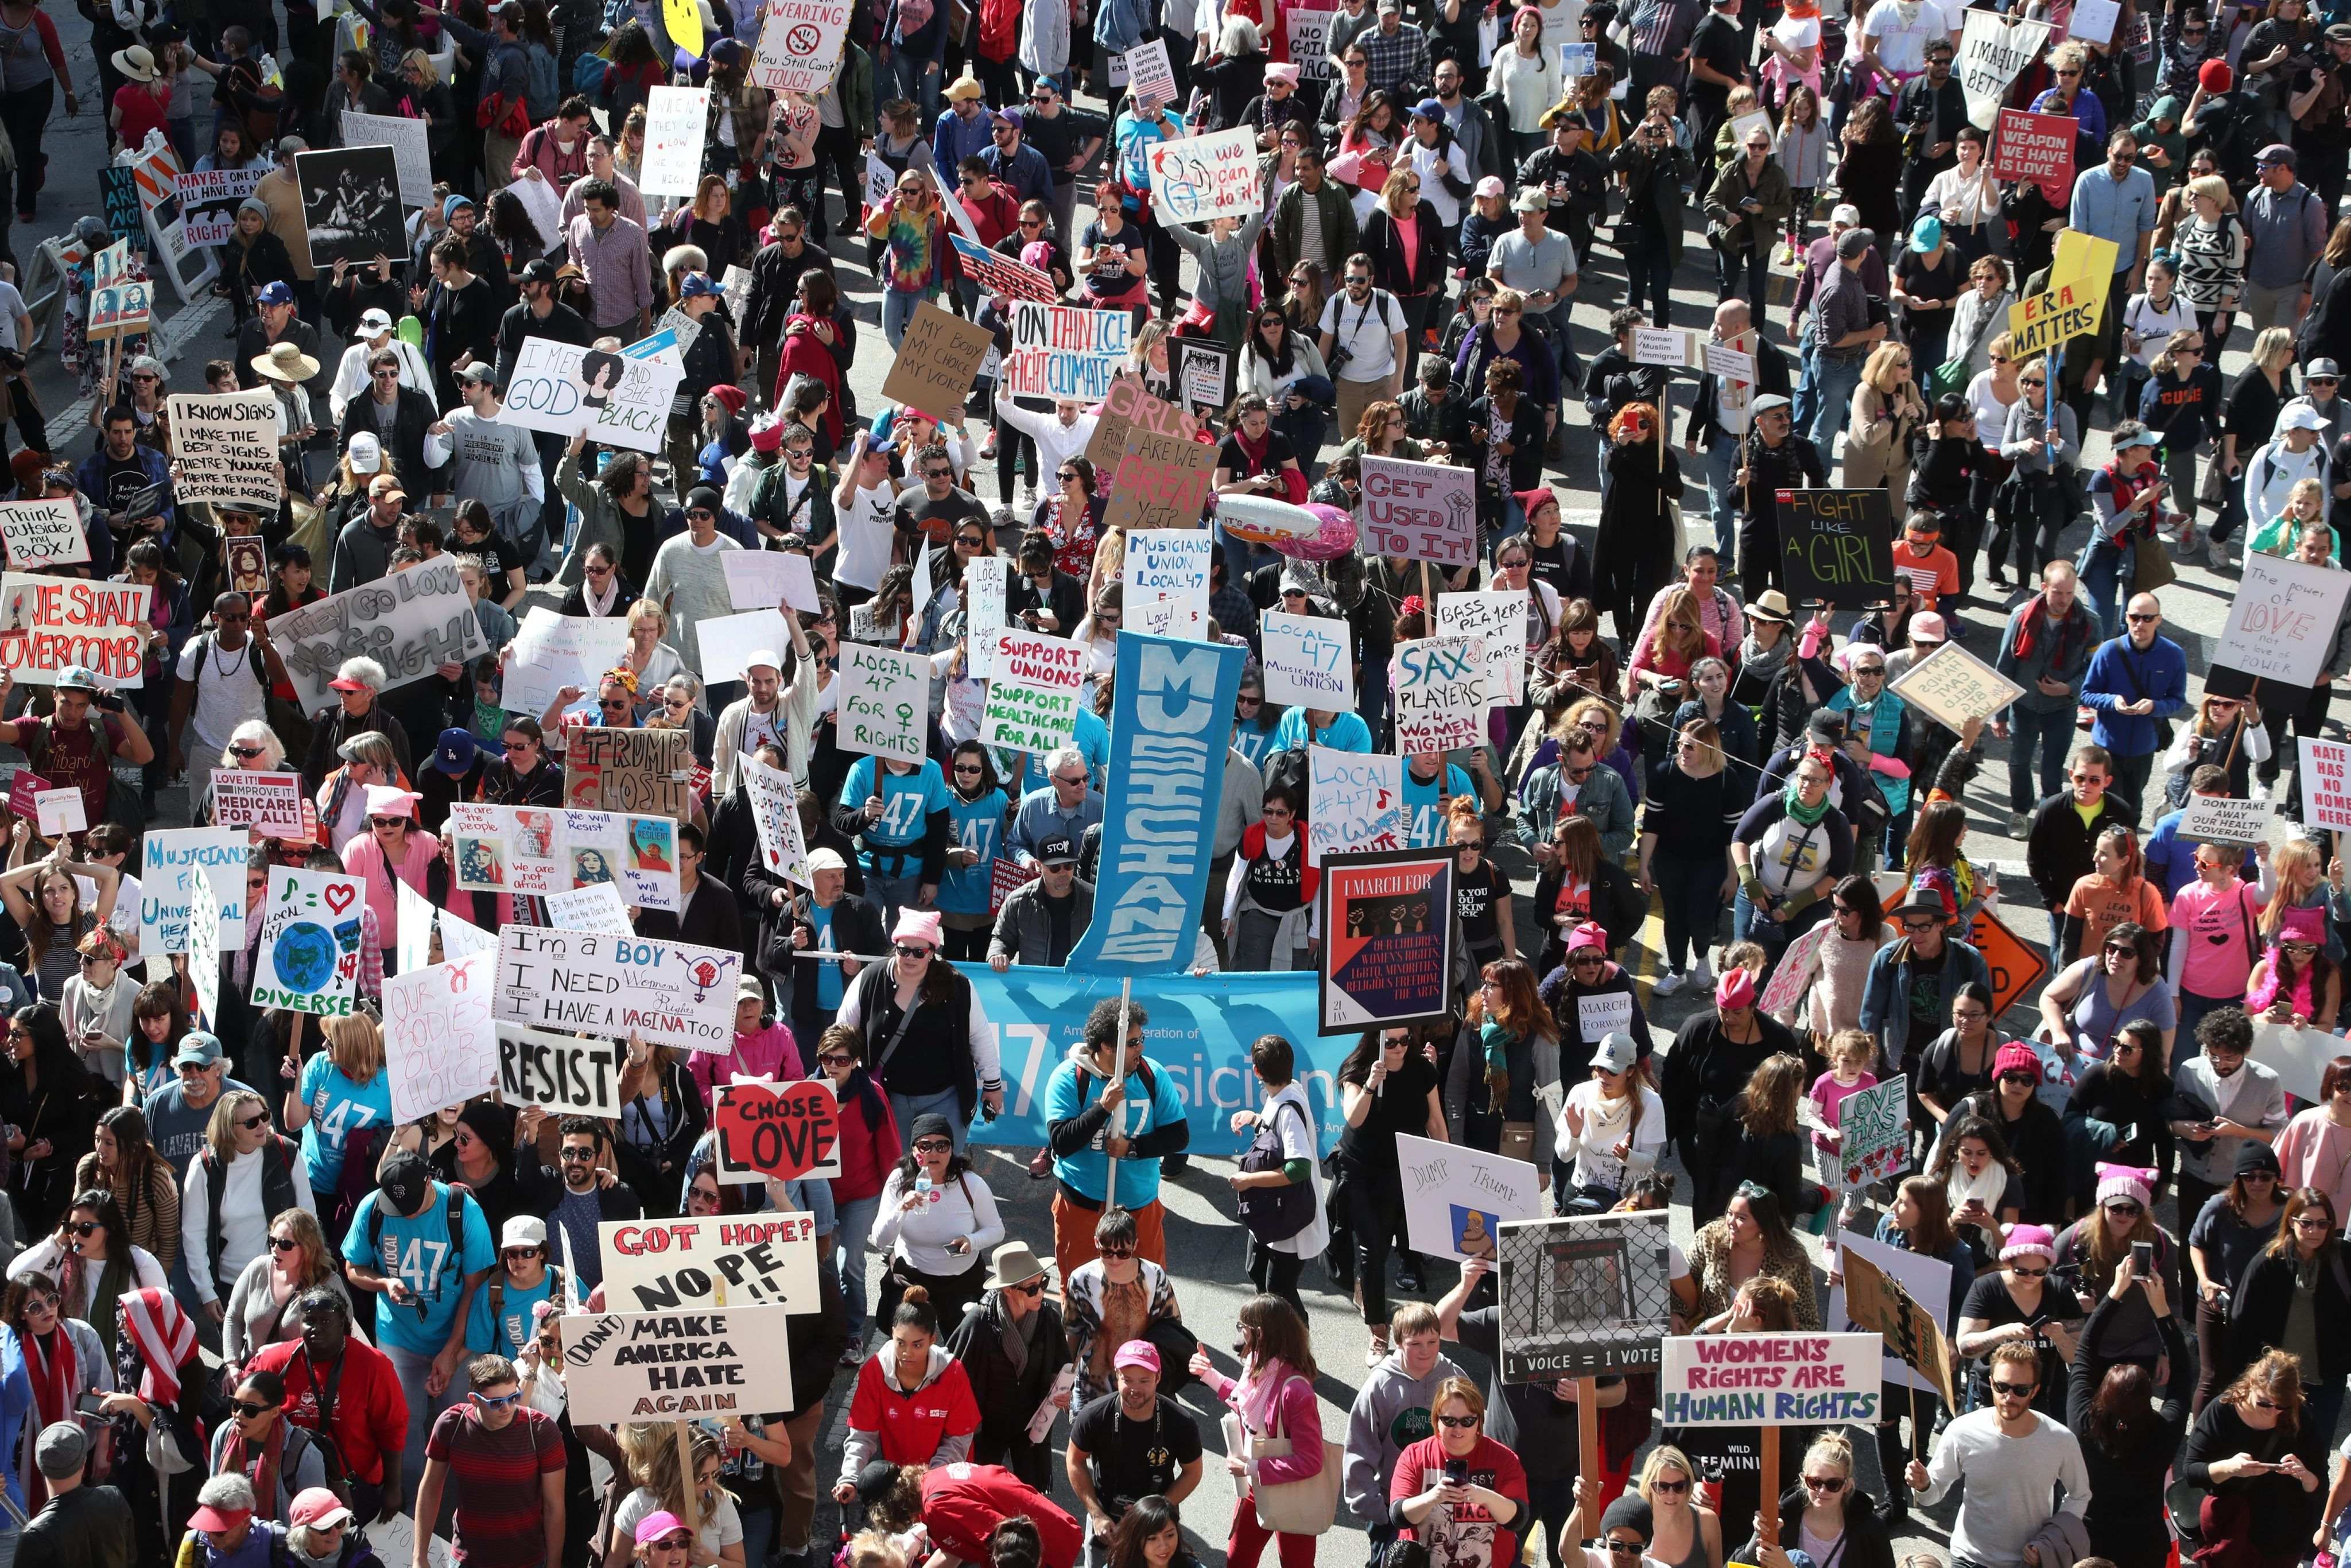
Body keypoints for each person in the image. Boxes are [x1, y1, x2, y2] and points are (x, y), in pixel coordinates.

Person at [339, 1150, 494, 1508]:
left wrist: (452, 1351)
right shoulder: (372, 1209)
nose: (405, 1214)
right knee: (402, 1427)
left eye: (412, 1206)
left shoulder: (464, 1212)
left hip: (455, 1335)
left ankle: (469, 1507)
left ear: (429, 1182)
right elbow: (353, 1267)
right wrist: (384, 1283)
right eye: (397, 1207)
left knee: (463, 1421)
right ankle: (406, 1508)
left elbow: (475, 1286)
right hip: (398, 1337)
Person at [1904, 1340, 2091, 1565]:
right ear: (1991, 1383)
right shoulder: (1963, 1430)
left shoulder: (2060, 1439)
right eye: (2002, 1387)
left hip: (2026, 1562)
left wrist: (2053, 1537)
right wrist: (1923, 1484)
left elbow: (2080, 1495)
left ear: (2035, 1391)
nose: (2009, 1398)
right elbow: (1932, 1493)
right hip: (1968, 1558)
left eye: (2020, 1390)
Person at [2067, 1255, 2190, 1568]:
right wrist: (2161, 1309)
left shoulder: (2084, 1422)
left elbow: (2085, 1351)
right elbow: (2183, 1377)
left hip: (2089, 1541)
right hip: (2143, 1545)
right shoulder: (2165, 1431)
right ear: (2149, 1397)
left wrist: (2114, 1294)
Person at [246, 1288, 408, 1524]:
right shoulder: (275, 1362)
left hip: (352, 1483)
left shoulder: (374, 1366)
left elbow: (392, 1429)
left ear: (342, 1322)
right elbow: (247, 1409)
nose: (316, 1328)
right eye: (309, 1321)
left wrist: (393, 1488)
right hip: (289, 1482)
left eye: (325, 1321)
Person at [1192, 1294, 1326, 1568]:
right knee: (1238, 1560)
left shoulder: (1296, 1392)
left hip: (1291, 1496)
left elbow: (1311, 1461)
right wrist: (1209, 1375)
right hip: (1255, 1488)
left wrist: (1252, 1467)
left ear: (1261, 1333)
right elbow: (1245, 1401)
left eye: (1244, 1327)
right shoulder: (1257, 1365)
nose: (1239, 1335)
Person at [410, 1352, 567, 1568]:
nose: (507, 1408)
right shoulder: (451, 1425)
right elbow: (430, 1489)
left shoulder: (541, 1430)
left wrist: (555, 1564)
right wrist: (419, 1556)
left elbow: (554, 1506)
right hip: (467, 1559)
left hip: (525, 1560)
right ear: (474, 1399)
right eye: (496, 1402)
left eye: (513, 1398)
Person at [2183, 1347, 2327, 1566]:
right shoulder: (2222, 1412)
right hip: (2232, 1529)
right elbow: (2192, 1472)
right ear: (2251, 1384)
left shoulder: (2300, 1417)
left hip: (2282, 1536)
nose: (2273, 1412)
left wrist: (2306, 1477)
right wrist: (2230, 1468)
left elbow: (2320, 1485)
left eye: (2282, 1406)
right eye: (2264, 1403)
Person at [833, 1288, 981, 1499]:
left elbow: (959, 1439)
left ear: (932, 1339)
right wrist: (850, 1478)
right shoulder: (875, 1371)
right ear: (892, 1333)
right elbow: (862, 1436)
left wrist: (930, 1482)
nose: (907, 1353)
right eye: (900, 1342)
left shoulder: (953, 1373)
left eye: (917, 1345)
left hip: (944, 1483)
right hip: (898, 1483)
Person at [1065, 1343, 1205, 1562]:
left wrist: (1153, 1512)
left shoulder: (1181, 1422)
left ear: (1158, 1378)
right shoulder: (1094, 1416)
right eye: (1128, 1380)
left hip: (1156, 1527)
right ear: (1116, 1376)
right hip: (1107, 1525)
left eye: (1144, 1381)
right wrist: (1096, 1514)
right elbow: (1074, 1461)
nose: (1135, 1389)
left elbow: (1193, 1473)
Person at [12, 1420, 134, 1568]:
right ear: (84, 1462)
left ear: (40, 1465)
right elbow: (131, 1558)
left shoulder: (34, 1535)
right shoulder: (114, 1498)